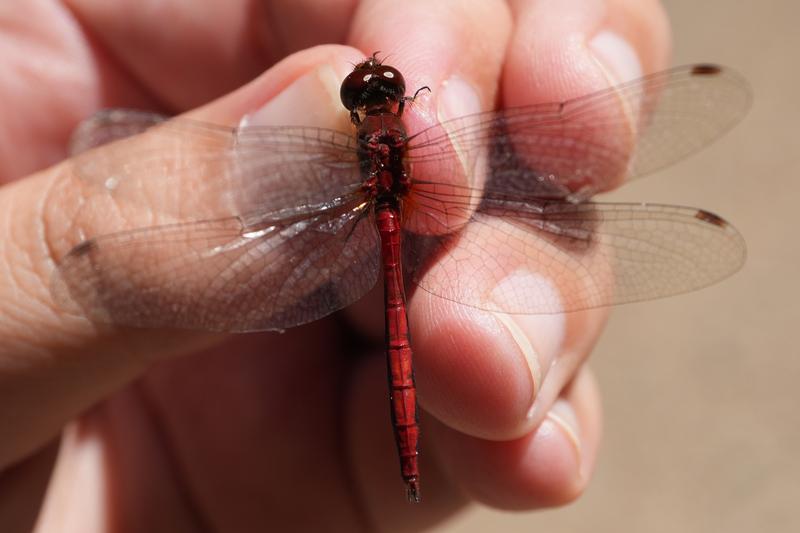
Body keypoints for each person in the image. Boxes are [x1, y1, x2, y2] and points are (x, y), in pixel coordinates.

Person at [0, 0, 670, 530]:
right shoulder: (400, 134)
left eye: (382, 90)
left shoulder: (355, 142)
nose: (378, 97)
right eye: (371, 92)